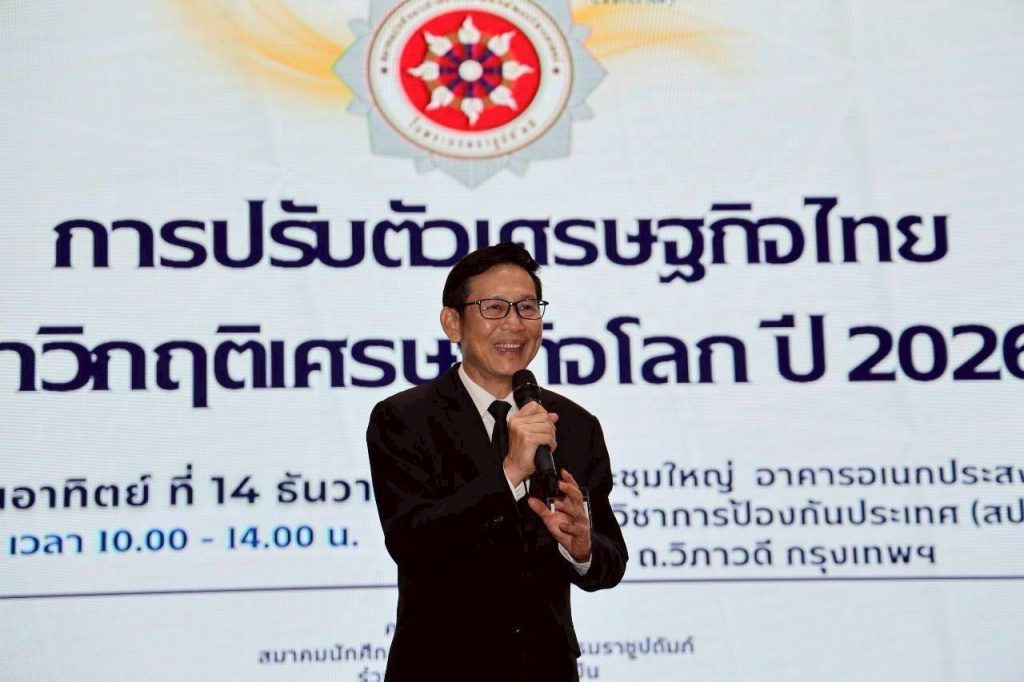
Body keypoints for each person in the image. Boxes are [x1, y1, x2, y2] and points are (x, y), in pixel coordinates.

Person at [366, 242, 628, 681]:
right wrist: (510, 473)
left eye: (527, 307)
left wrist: (582, 547)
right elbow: (412, 545)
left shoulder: (575, 425)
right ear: (453, 323)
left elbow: (610, 562)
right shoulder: (404, 419)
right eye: (493, 307)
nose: (514, 323)